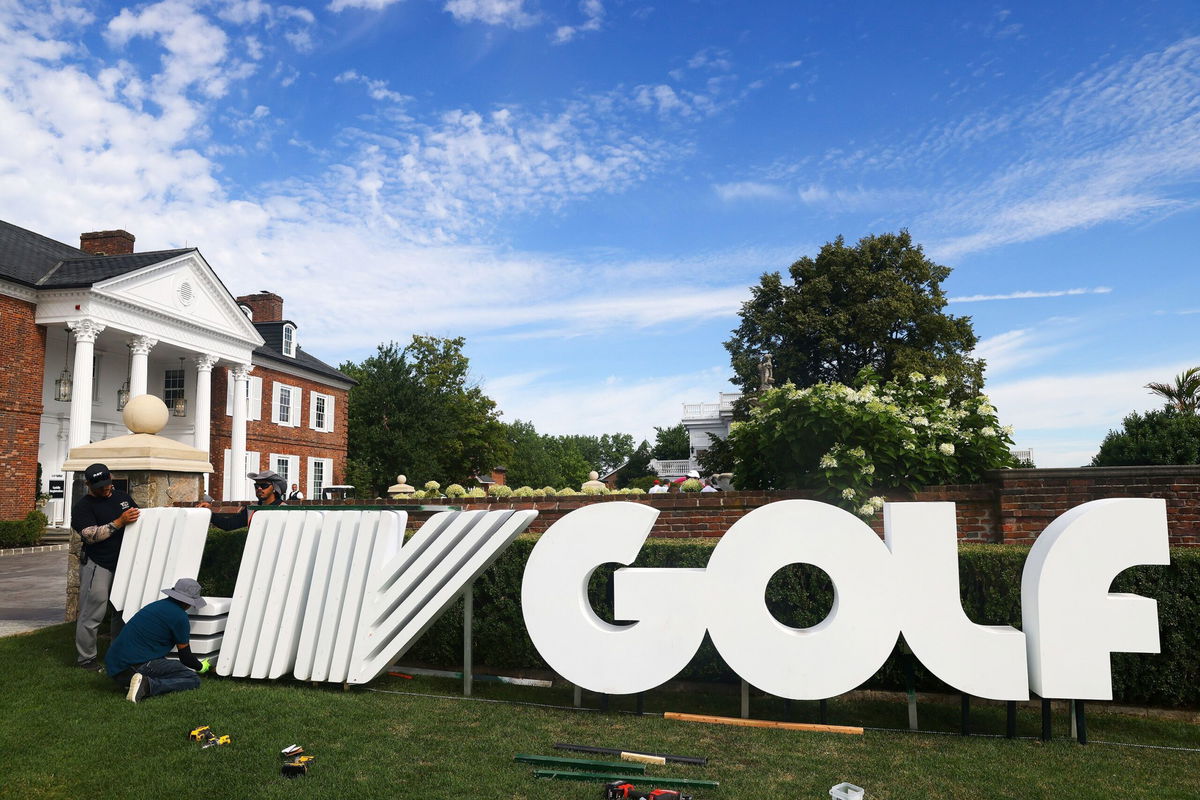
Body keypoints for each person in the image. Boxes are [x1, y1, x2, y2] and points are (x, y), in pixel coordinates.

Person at [72, 463, 139, 670]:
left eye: (107, 483)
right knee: (93, 611)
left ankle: (117, 652)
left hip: (124, 562)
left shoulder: (123, 498)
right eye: (99, 486)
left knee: (121, 609)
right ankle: (86, 659)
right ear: (88, 484)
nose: (105, 488)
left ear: (111, 477)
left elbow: (139, 518)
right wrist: (119, 522)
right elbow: (90, 536)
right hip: (98, 563)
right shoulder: (83, 506)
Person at [106, 578, 212, 703]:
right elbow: (185, 657)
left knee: (167, 666)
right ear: (189, 602)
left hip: (114, 666)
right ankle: (147, 685)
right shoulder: (180, 617)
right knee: (192, 678)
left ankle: (132, 682)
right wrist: (201, 666)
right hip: (135, 665)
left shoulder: (156, 605)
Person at [202, 470, 287, 531]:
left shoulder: (285, 509)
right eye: (256, 486)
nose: (259, 489)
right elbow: (228, 525)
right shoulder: (251, 509)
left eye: (264, 485)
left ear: (275, 488)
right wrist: (208, 512)